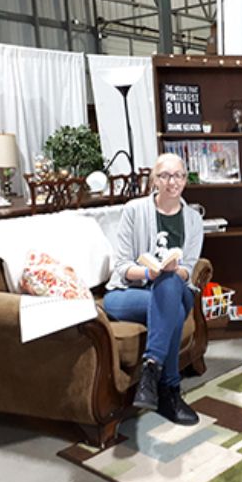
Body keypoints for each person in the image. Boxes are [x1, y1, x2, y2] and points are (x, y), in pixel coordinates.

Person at [104, 153, 204, 425]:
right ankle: (169, 392)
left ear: (185, 179)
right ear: (154, 180)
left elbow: (189, 269)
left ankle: (152, 371)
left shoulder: (194, 219)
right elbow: (122, 266)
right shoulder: (134, 210)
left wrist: (171, 272)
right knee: (170, 305)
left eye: (179, 175)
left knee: (171, 285)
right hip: (127, 293)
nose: (173, 182)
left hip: (173, 288)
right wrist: (150, 272)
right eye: (165, 175)